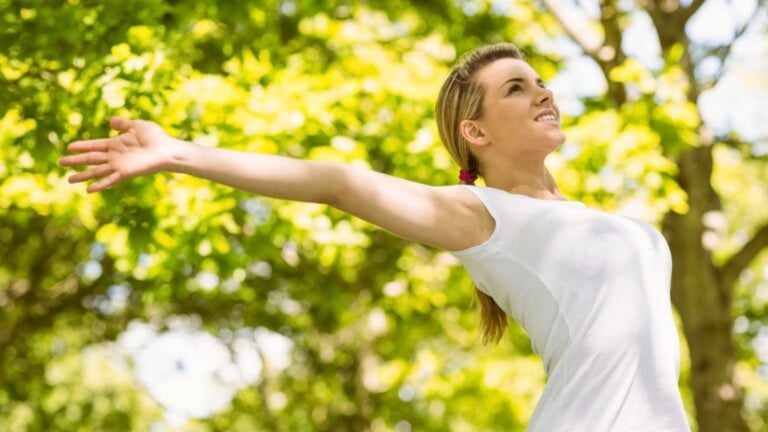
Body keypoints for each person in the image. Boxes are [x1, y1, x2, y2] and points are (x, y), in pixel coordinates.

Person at [60, 43, 690, 431]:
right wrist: (178, 154)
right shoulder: (483, 215)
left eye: (541, 81)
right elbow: (335, 182)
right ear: (476, 132)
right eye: (516, 88)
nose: (544, 92)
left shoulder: (581, 218)